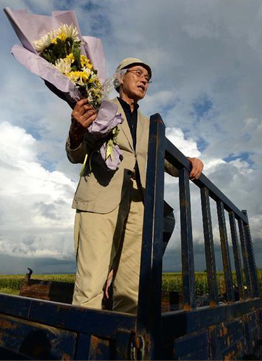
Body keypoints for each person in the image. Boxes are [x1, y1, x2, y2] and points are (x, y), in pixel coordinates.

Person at [67, 57, 203, 314]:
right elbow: (75, 154)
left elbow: (166, 161)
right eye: (138, 73)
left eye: (147, 78)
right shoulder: (98, 107)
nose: (144, 80)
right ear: (120, 78)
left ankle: (120, 349)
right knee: (90, 285)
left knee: (130, 292)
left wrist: (189, 161)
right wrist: (76, 130)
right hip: (100, 200)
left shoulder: (150, 126)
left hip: (139, 207)